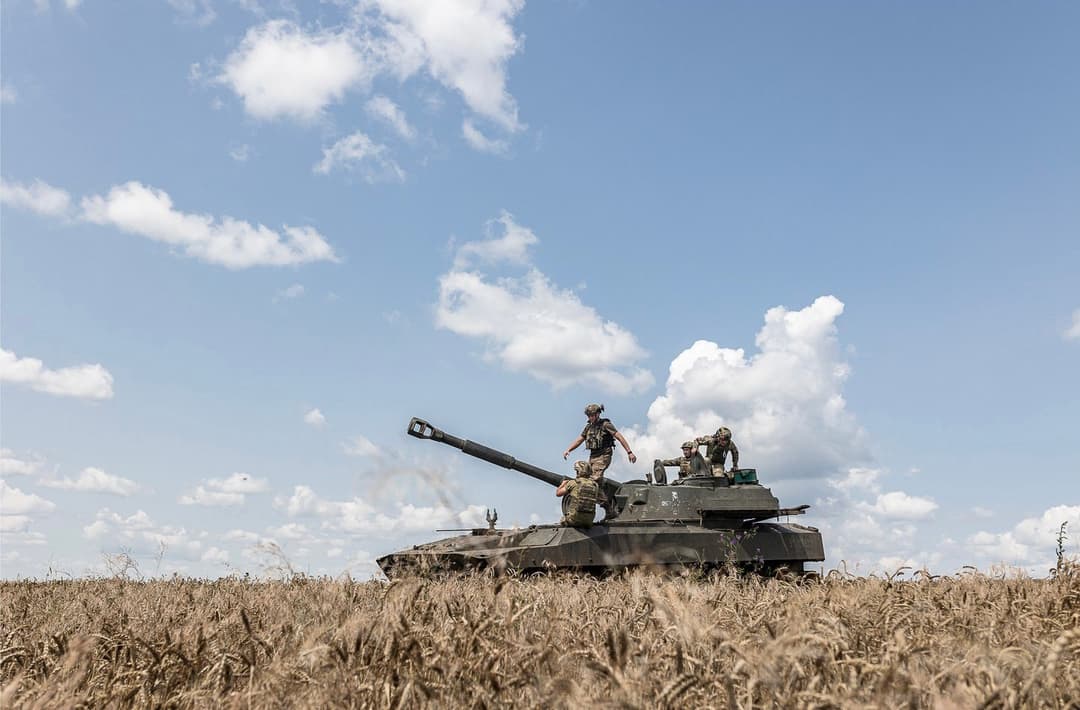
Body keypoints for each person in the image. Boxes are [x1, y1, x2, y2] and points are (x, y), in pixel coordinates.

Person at [562, 404, 636, 517]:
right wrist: (569, 450)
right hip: (593, 456)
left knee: (592, 481)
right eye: (589, 415)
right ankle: (609, 509)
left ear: (597, 414)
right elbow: (580, 440)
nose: (590, 417)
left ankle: (588, 506)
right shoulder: (588, 427)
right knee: (596, 484)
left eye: (592, 415)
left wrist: (629, 452)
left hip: (603, 455)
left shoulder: (605, 424)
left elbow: (619, 436)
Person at [556, 461, 599, 528]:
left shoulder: (573, 483)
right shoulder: (595, 485)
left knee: (563, 520)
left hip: (574, 519)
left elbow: (558, 493)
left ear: (578, 471)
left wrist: (563, 484)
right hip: (589, 521)